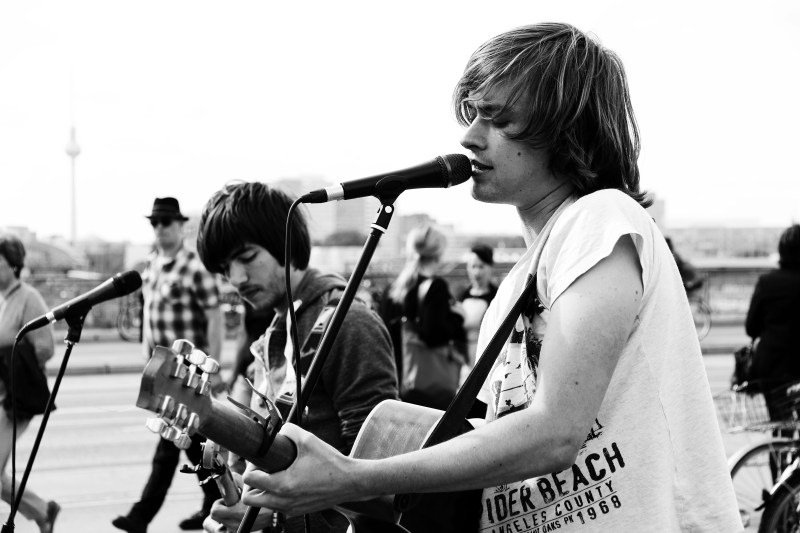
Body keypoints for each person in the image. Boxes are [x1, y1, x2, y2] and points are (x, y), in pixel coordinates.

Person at [239, 23, 742, 532]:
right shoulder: (511, 292)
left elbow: (554, 433)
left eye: (497, 119)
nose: (469, 135)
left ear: (565, 132)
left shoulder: (600, 220)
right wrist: (301, 499)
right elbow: (486, 463)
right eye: (471, 113)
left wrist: (354, 477)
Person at [195, 181, 398, 533]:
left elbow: (379, 479)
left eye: (246, 259)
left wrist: (275, 515)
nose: (236, 279)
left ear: (284, 244)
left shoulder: (347, 323)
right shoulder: (275, 331)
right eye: (224, 269)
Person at [113, 197, 223, 533]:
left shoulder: (194, 266)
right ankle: (215, 505)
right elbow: (148, 316)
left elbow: (215, 317)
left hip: (189, 373)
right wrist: (147, 362)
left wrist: (213, 370)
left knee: (174, 444)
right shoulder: (152, 265)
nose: (160, 229)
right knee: (188, 443)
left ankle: (141, 516)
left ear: (179, 226)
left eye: (166, 223)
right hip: (163, 371)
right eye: (155, 223)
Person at [0, 236, 60, 533]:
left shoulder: (28, 297)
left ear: (13, 265)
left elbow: (45, 346)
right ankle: (42, 509)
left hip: (14, 398)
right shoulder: (3, 298)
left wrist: (12, 359)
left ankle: (42, 510)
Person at [386, 224, 467, 410]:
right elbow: (434, 335)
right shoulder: (435, 287)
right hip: (425, 385)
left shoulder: (394, 288)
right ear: (439, 253)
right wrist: (458, 318)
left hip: (395, 378)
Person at [745, 224, 800, 419]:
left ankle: (780, 447)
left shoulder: (768, 282)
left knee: (780, 423)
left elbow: (751, 327)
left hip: (772, 365)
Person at [457, 243, 499, 366]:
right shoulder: (463, 295)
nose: (476, 272)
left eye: (481, 266)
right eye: (473, 266)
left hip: (487, 359)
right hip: (462, 359)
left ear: (490, 267)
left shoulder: (496, 296)